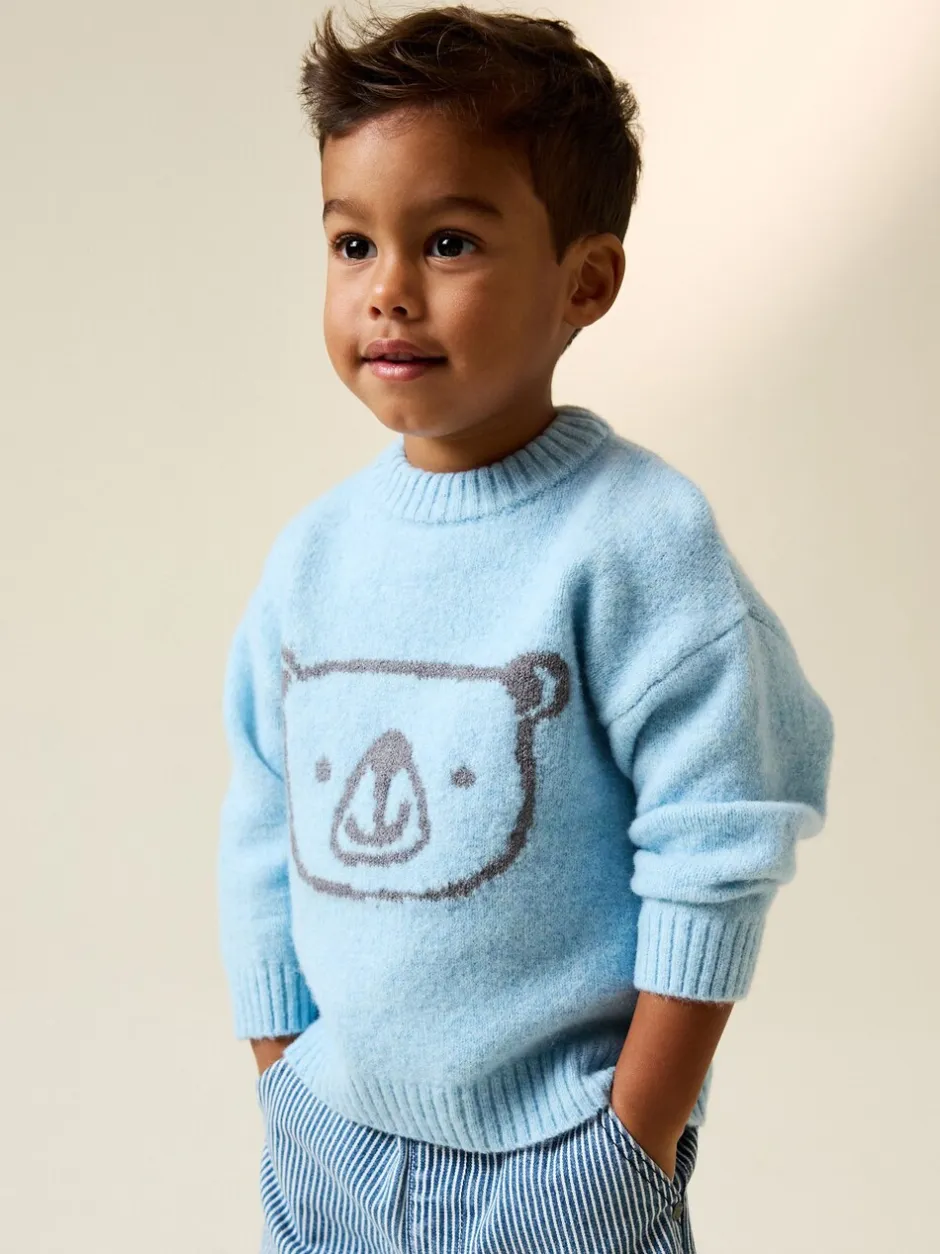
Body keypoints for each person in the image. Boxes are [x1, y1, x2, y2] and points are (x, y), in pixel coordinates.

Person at [217, 6, 836, 1252]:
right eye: (351, 243)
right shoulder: (311, 559)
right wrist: (285, 1073)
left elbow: (720, 837)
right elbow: (260, 821)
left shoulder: (638, 542)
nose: (387, 291)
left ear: (584, 281)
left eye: (447, 242)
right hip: (332, 1141)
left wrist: (635, 1134)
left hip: (559, 1159)